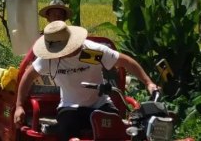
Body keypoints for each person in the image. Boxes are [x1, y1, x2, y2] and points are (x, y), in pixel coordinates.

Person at [14, 21, 159, 141]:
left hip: (100, 104)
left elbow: (125, 62)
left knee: (117, 132)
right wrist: (19, 105)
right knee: (68, 132)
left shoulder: (89, 53)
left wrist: (148, 83)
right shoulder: (50, 59)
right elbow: (28, 76)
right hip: (70, 108)